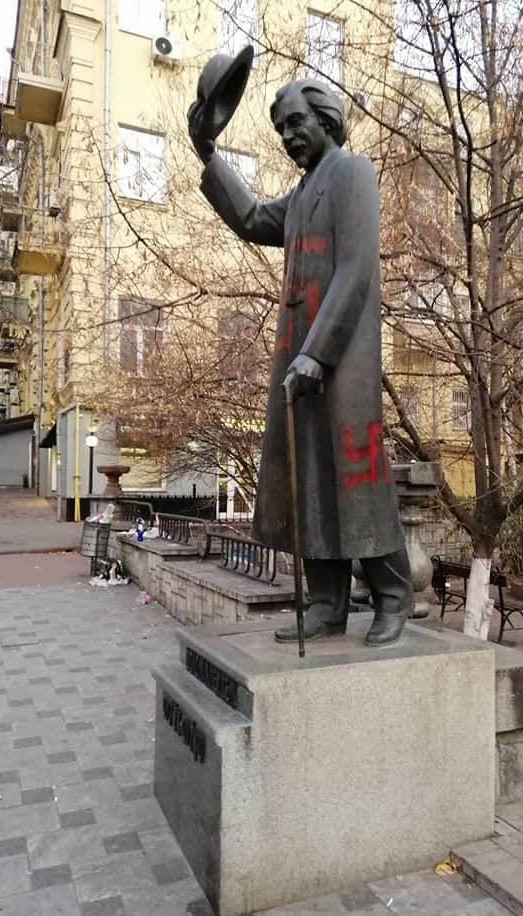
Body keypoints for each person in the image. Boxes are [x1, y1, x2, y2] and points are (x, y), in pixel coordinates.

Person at [189, 78, 413, 646]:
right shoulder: (303, 193)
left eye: (295, 123)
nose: (288, 135)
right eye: (282, 128)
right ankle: (327, 604)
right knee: (310, 480)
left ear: (326, 119)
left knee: (358, 480)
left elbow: (357, 267)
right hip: (299, 353)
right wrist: (209, 155)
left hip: (341, 359)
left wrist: (318, 352)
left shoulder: (353, 173)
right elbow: (250, 218)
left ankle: (393, 596)